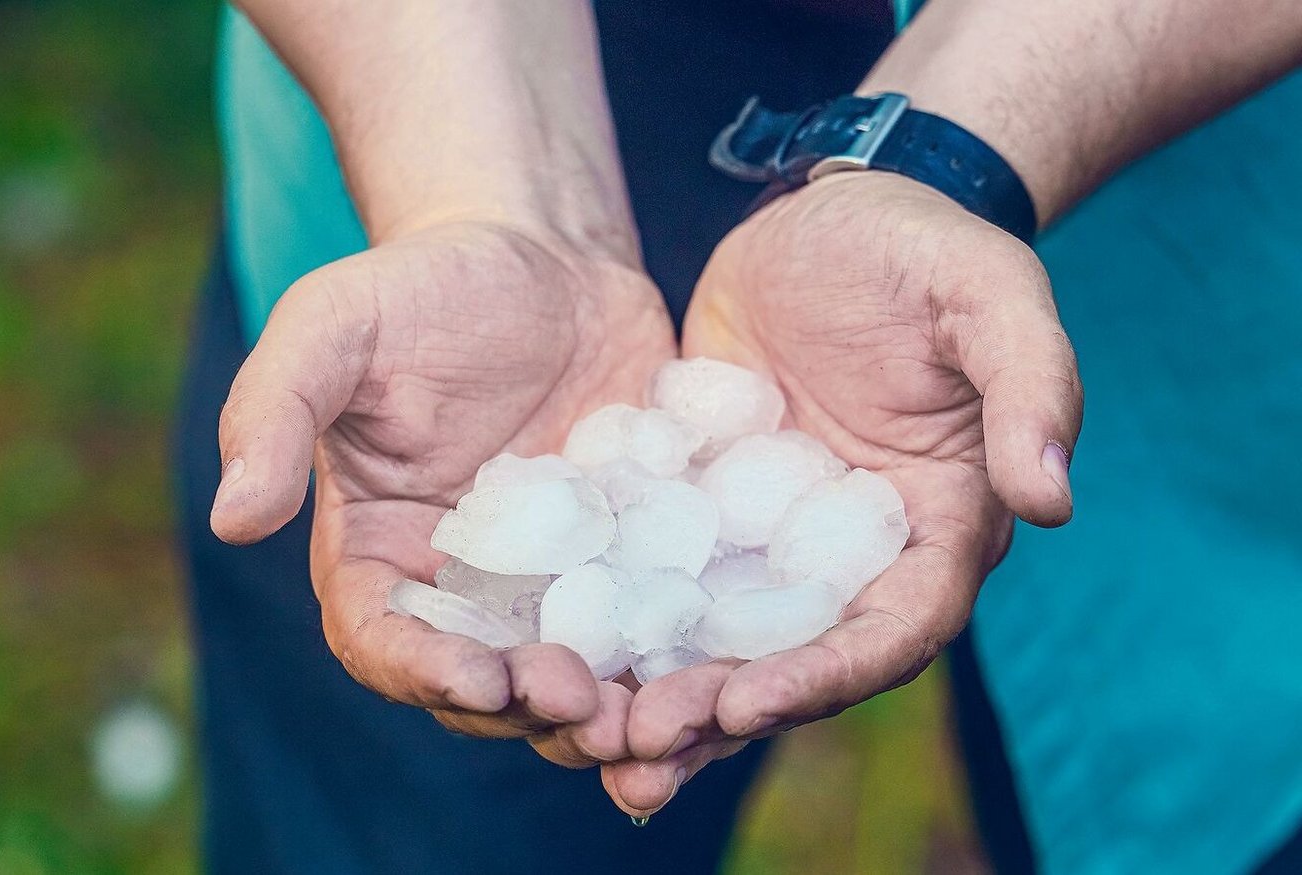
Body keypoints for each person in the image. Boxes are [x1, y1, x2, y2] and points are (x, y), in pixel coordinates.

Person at [174, 0, 1302, 871]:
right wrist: (480, 202)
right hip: (430, 91)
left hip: (1169, 204)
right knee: (413, 819)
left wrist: (941, 163)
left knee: (1201, 762)